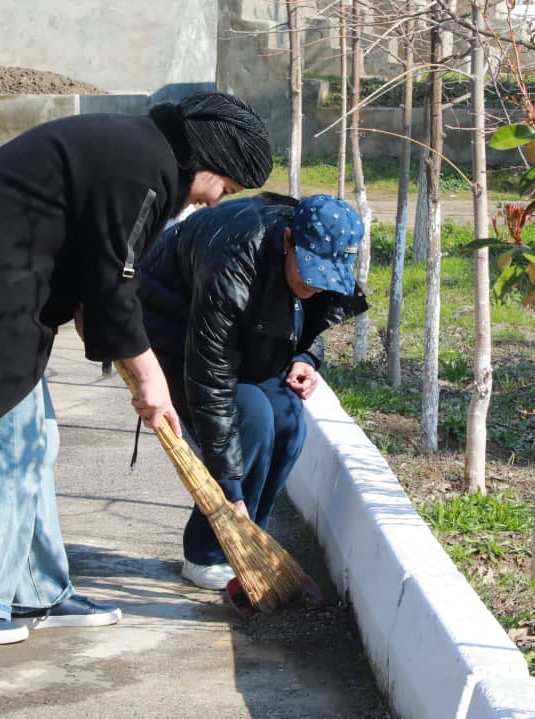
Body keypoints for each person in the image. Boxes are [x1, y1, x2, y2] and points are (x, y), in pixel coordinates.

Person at [0, 92, 272, 645]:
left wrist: (99, 319)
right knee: (1, 444)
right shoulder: (142, 165)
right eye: (226, 186)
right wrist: (150, 376)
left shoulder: (138, 155)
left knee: (34, 440)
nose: (216, 201)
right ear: (211, 159)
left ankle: (35, 587)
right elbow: (115, 284)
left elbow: (97, 263)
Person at [137, 192, 368, 590]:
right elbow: (211, 380)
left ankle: (247, 544)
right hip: (173, 332)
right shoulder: (233, 257)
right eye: (310, 274)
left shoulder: (312, 250)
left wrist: (307, 359)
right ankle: (206, 553)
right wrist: (229, 489)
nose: (315, 286)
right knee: (252, 418)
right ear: (289, 241)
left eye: (325, 277)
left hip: (240, 336)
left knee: (288, 418)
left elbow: (311, 314)